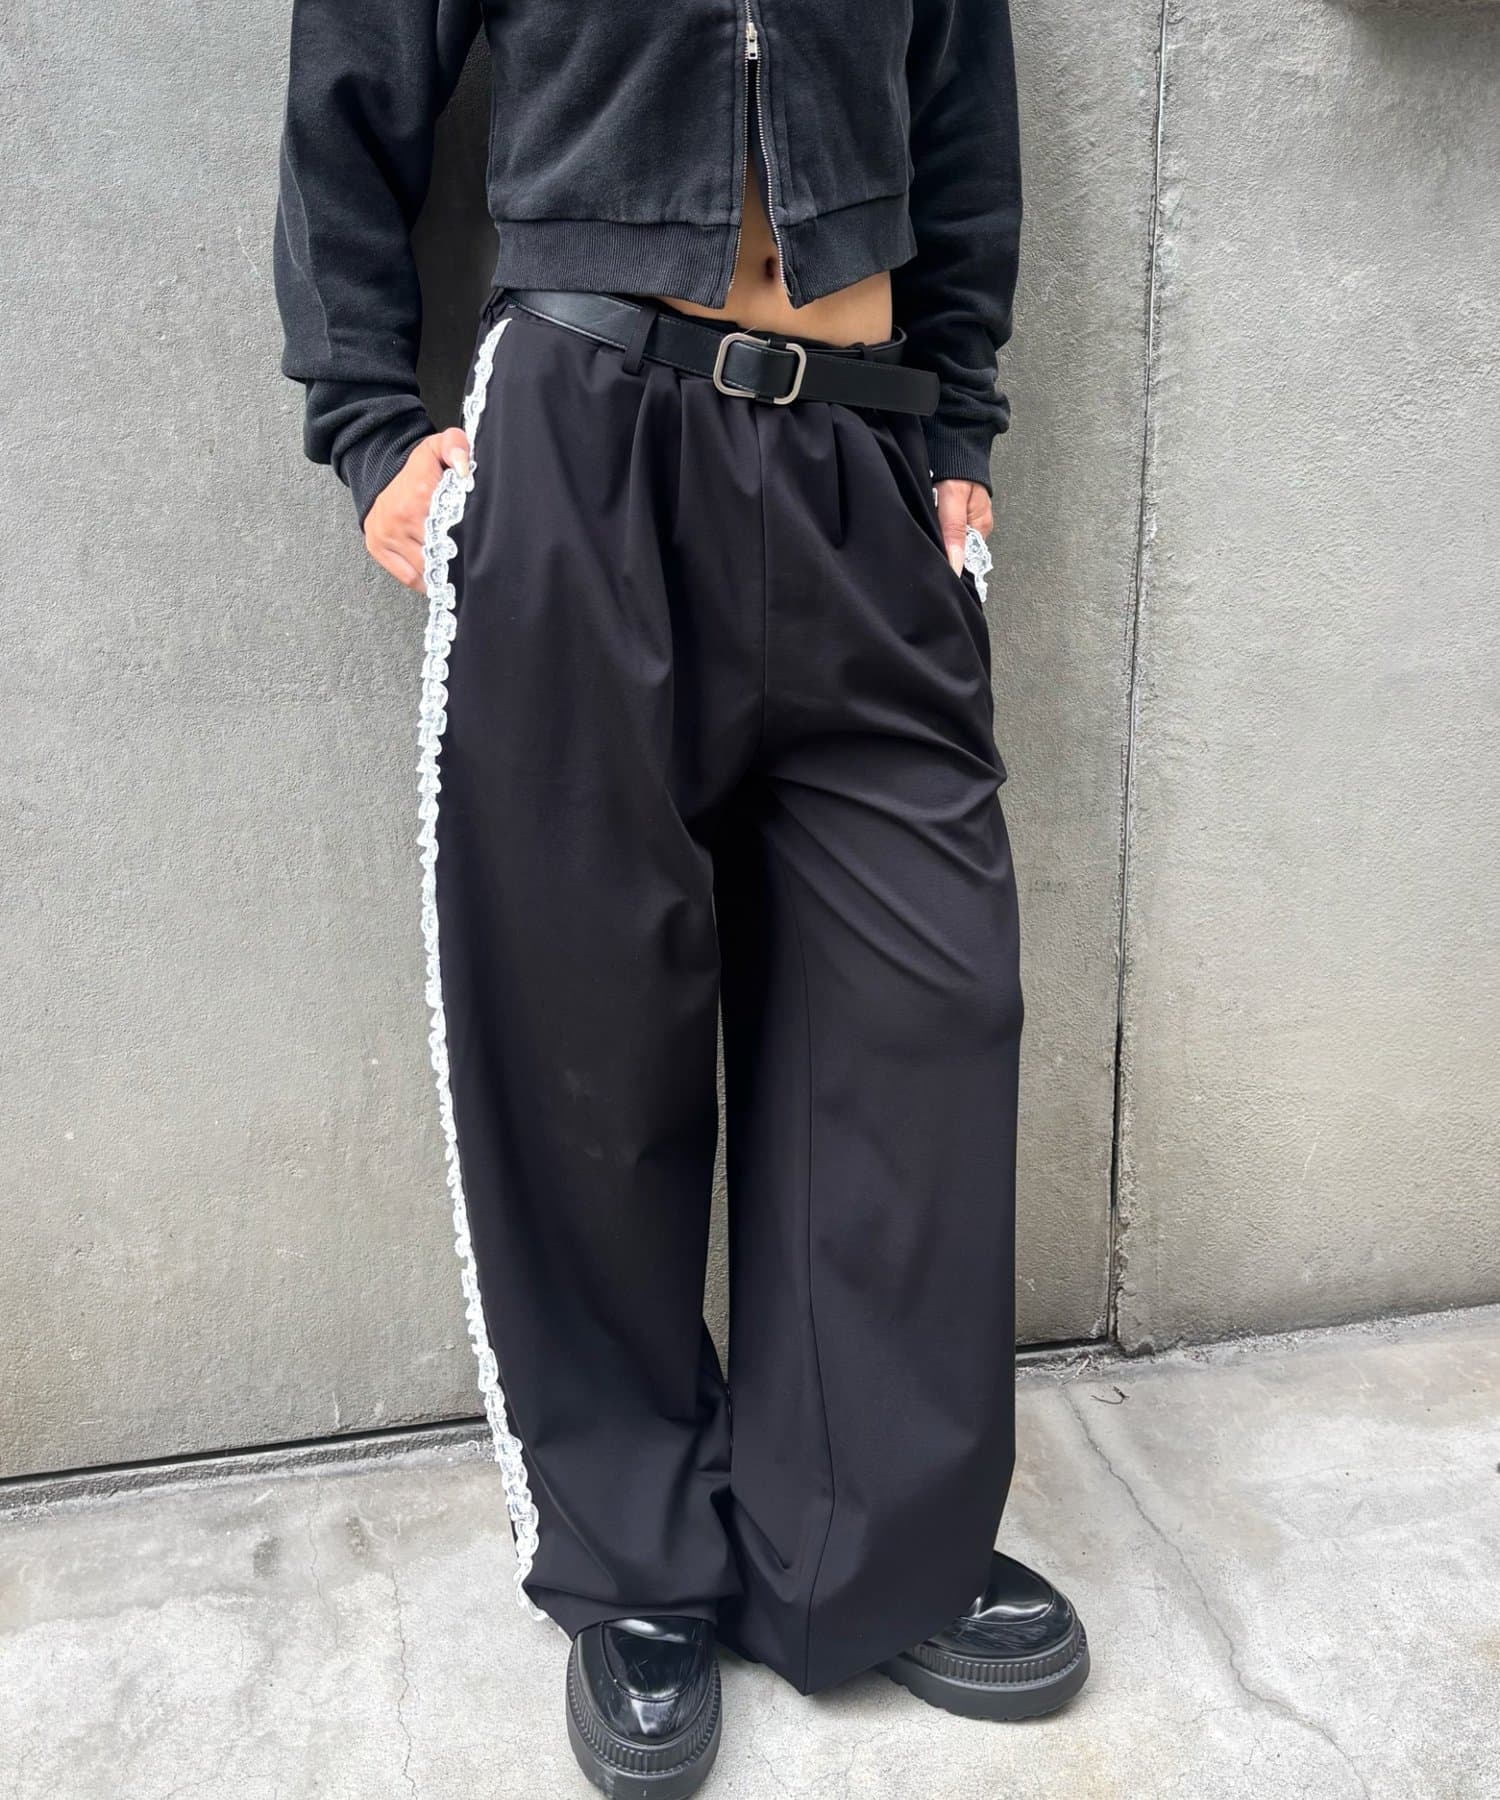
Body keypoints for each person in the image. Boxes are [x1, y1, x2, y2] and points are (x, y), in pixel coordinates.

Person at [273, 2, 1089, 1792]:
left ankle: (872, 1540)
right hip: (586, 441)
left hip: (864, 457)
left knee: (926, 1009)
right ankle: (637, 1557)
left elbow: (964, 118)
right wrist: (368, 423)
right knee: (587, 1029)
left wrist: (957, 416)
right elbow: (349, 103)